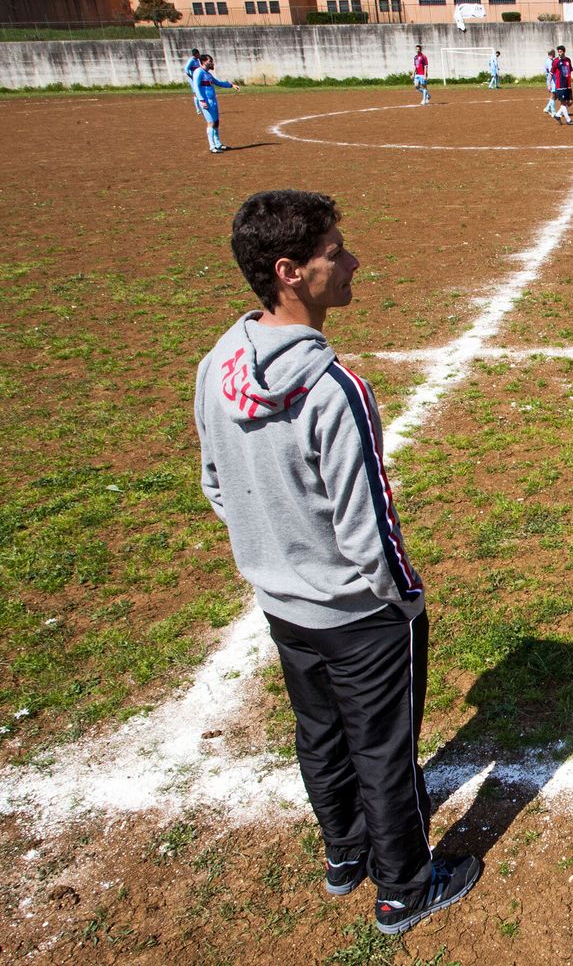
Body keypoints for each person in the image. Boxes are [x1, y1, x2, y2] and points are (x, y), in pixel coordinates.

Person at [196, 189, 483, 937]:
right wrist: (405, 598)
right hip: (359, 614)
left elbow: (216, 485)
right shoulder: (334, 391)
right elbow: (367, 527)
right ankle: (404, 889)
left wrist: (273, 551)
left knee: (318, 731)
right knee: (385, 752)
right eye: (335, 253)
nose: (352, 261)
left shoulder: (218, 363)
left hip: (283, 606)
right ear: (290, 272)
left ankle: (343, 853)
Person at [192, 53, 238, 153]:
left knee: (216, 122)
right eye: (210, 61)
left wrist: (231, 85)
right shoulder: (198, 72)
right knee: (211, 123)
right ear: (204, 62)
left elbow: (218, 82)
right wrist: (202, 100)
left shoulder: (208, 74)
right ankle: (212, 147)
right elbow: (196, 87)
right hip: (206, 102)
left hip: (213, 101)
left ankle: (218, 144)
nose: (212, 63)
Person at [551, 43, 573, 125]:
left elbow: (570, 71)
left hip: (568, 84)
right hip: (560, 85)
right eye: (558, 52)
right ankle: (568, 120)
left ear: (564, 52)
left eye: (560, 52)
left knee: (570, 102)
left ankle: (557, 115)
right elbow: (551, 73)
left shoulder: (568, 60)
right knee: (563, 103)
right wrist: (549, 84)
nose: (559, 53)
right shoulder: (556, 61)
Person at [184, 47, 203, 116]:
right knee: (196, 93)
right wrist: (191, 76)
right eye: (197, 54)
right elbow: (186, 69)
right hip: (193, 79)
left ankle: (202, 108)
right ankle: (198, 110)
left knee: (200, 92)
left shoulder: (197, 60)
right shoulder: (191, 60)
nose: (198, 55)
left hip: (198, 78)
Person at [542, 48, 557, 118]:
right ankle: (553, 111)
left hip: (553, 79)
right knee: (553, 95)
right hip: (552, 80)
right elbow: (552, 71)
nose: (555, 54)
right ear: (552, 53)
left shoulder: (550, 60)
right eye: (554, 52)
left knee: (555, 95)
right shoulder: (549, 61)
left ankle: (547, 108)